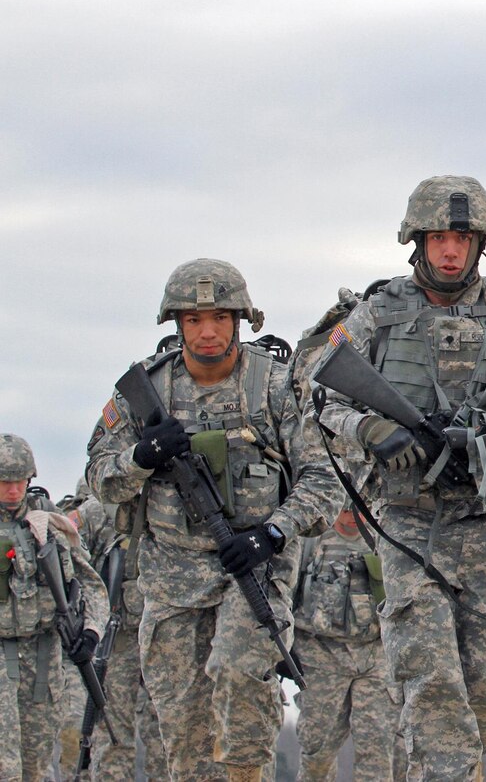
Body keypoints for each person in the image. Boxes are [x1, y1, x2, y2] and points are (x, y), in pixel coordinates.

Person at [307, 175, 486, 780]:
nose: (450, 251)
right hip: (409, 521)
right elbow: (317, 392)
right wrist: (370, 432)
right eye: (439, 237)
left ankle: (442, 768)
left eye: (462, 239)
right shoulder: (378, 314)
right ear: (418, 240)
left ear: (480, 245)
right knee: (428, 667)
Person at [85, 258, 339, 782]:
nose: (207, 331)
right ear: (176, 324)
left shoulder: (273, 385)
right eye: (195, 320)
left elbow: (324, 479)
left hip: (253, 572)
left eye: (220, 318)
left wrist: (273, 533)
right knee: (181, 723)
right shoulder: (144, 393)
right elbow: (99, 477)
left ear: (240, 321)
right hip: (171, 577)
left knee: (240, 677)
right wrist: (142, 456)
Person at [0, 434, 108, 781]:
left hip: (44, 658)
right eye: (5, 482)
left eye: (19, 481)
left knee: (36, 766)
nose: (13, 491)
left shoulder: (49, 522)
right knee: (6, 766)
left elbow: (91, 583)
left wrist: (91, 632)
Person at [57, 479, 168, 781]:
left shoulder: (171, 501)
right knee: (112, 733)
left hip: (166, 636)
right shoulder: (98, 512)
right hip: (115, 640)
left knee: (169, 733)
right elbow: (61, 555)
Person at [292, 506, 398, 780]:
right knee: (317, 747)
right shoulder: (311, 541)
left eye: (357, 505)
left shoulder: (384, 541)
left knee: (377, 748)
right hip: (321, 656)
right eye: (345, 507)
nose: (351, 513)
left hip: (375, 657)